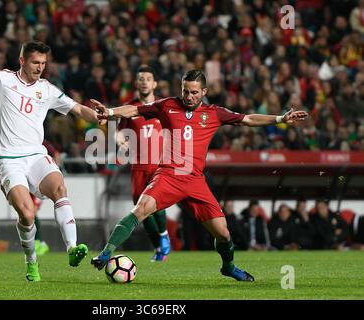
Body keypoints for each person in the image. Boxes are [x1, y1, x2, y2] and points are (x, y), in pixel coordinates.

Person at [91, 69, 308, 281]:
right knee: (139, 210)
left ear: (204, 91)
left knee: (223, 234)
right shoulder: (166, 105)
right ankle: (105, 253)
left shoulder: (214, 113)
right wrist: (109, 112)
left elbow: (248, 119)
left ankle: (229, 267)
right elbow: (135, 110)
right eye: (186, 91)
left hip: (195, 181)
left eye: (194, 92)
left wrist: (280, 118)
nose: (188, 96)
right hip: (168, 175)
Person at [0, 37, 105, 281]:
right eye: (35, 62)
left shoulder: (46, 89)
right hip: (7, 159)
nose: (40, 68)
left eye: (43, 64)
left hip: (36, 155)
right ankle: (31, 262)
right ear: (22, 60)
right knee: (26, 215)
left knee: (59, 187)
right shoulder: (2, 79)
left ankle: (72, 248)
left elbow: (77, 109)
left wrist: (105, 115)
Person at [116, 66, 171, 262]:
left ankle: (164, 235)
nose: (144, 82)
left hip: (159, 164)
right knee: (140, 209)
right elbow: (120, 131)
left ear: (154, 83)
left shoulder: (163, 106)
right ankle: (158, 248)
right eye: (141, 79)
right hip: (138, 165)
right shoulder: (130, 107)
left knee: (155, 202)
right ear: (136, 83)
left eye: (148, 78)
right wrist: (121, 142)